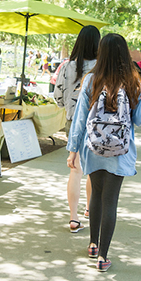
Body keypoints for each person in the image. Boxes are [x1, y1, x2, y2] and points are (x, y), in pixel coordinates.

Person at [66, 33, 141, 272]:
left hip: (93, 148)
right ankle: (103, 257)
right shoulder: (133, 81)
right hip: (120, 153)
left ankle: (92, 244)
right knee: (111, 201)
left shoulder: (91, 80)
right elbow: (140, 120)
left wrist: (73, 150)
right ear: (124, 53)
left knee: (96, 198)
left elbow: (80, 118)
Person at [54, 25, 100, 233]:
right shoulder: (101, 67)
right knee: (92, 170)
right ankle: (89, 209)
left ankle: (73, 218)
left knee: (75, 169)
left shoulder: (67, 66)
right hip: (96, 124)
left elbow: (58, 98)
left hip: (73, 122)